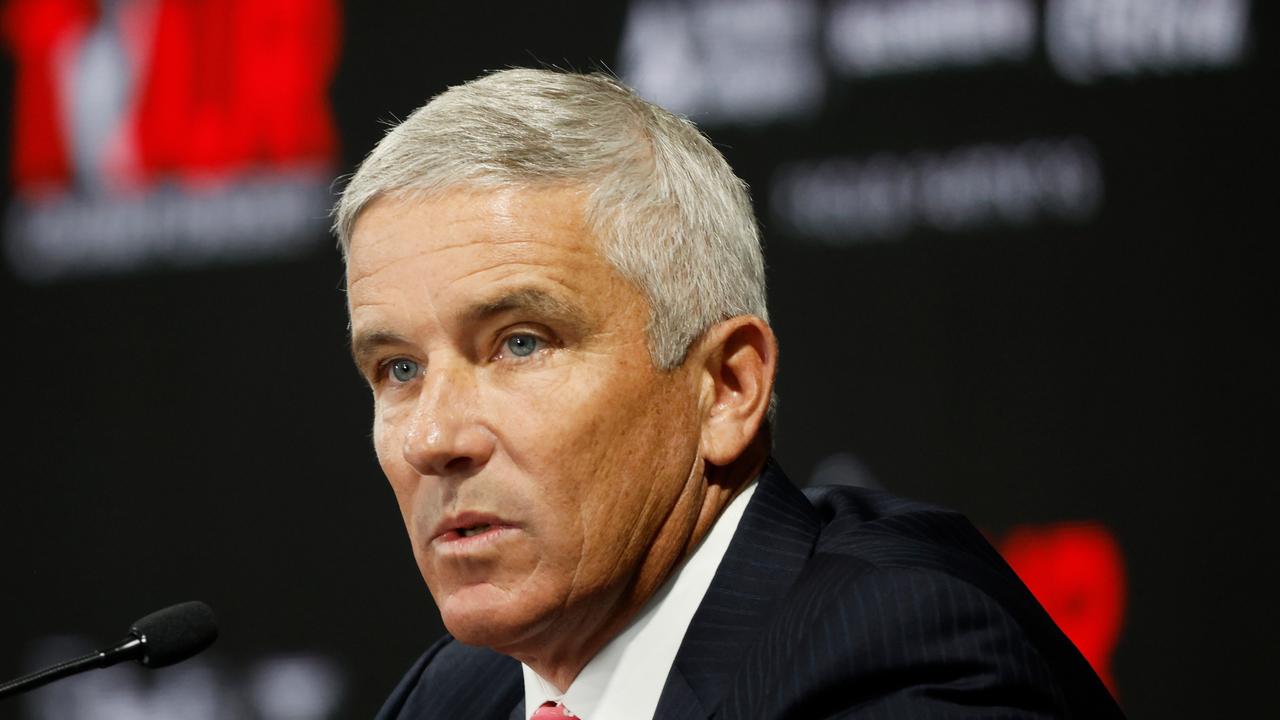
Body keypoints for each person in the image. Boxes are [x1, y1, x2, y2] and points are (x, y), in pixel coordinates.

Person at [333, 68, 1124, 719]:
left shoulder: (896, 655)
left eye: (521, 343)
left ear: (726, 388)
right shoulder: (456, 696)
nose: (430, 439)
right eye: (399, 369)